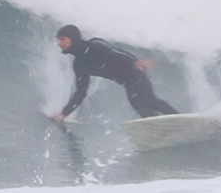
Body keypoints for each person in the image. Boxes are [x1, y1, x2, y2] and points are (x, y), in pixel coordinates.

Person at [48, 24, 178, 121]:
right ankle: (162, 129)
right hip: (127, 82)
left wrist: (135, 62)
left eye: (62, 39)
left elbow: (115, 52)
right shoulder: (80, 64)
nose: (60, 43)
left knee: (149, 101)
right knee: (142, 108)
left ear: (72, 38)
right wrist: (64, 114)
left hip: (135, 74)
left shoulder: (94, 45)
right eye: (59, 40)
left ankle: (179, 119)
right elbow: (81, 92)